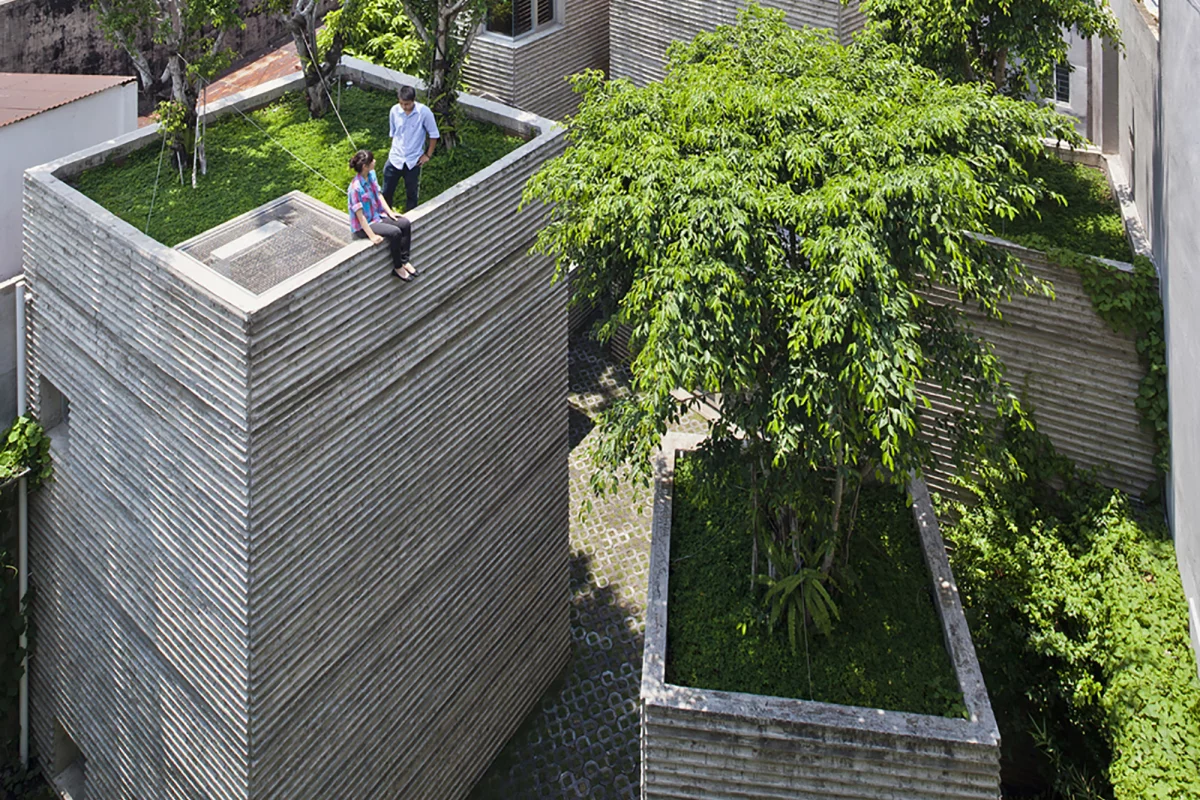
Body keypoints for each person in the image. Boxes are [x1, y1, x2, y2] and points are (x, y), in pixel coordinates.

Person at [347, 149, 417, 281]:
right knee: (395, 232)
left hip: (377, 216)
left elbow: (379, 195)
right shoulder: (355, 188)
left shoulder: (371, 175)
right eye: (372, 160)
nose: (375, 161)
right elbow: (360, 216)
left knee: (405, 224)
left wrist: (390, 213)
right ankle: (398, 267)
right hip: (366, 225)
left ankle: (405, 260)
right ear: (365, 166)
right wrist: (372, 236)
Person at [382, 85, 440, 212]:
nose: (404, 107)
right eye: (401, 103)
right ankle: (385, 215)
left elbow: (434, 134)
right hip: (395, 158)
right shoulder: (394, 111)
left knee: (412, 194)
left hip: (413, 161)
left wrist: (428, 155)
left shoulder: (424, 113)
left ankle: (411, 217)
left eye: (407, 104)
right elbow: (393, 133)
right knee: (386, 191)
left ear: (413, 100)